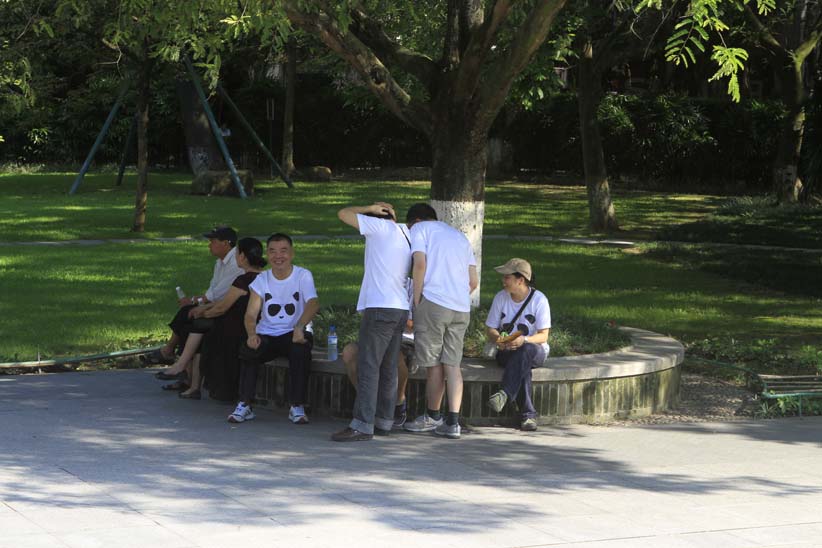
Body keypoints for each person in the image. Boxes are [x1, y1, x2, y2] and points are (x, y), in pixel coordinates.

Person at [331, 202, 412, 441]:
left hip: (380, 307)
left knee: (368, 366)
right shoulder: (405, 233)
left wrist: (370, 208)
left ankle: (362, 424)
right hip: (400, 308)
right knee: (389, 367)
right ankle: (384, 421)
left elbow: (343, 213)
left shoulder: (379, 228)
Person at [403, 203, 478, 440]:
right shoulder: (459, 236)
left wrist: (417, 300)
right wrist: (456, 296)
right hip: (461, 308)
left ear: (415, 221)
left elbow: (420, 264)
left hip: (433, 303)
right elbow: (473, 281)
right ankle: (453, 422)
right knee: (453, 365)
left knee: (434, 365)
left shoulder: (420, 230)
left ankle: (433, 416)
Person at [230, 233, 319, 424]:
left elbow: (313, 304)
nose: (278, 256)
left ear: (292, 253)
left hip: (294, 332)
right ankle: (244, 404)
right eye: (272, 251)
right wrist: (251, 334)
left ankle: (297, 406)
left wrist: (300, 327)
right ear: (268, 255)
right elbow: (250, 314)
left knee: (300, 350)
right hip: (267, 334)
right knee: (248, 349)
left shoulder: (303, 275)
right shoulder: (261, 279)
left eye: (283, 251)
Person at [172, 238, 267, 400]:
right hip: (247, 324)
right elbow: (225, 302)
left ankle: (185, 371)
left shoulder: (243, 280)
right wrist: (205, 308)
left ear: (243, 257)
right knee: (196, 326)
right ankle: (187, 376)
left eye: (237, 253)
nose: (235, 257)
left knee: (198, 326)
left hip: (237, 328)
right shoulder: (264, 276)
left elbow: (222, 307)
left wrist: (204, 313)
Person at [147, 226, 244, 368]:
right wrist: (197, 302)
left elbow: (218, 293)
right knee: (187, 315)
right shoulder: (220, 262)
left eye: (213, 241)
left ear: (226, 243)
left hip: (229, 309)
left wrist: (194, 301)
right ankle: (178, 362)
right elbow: (213, 290)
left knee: (190, 316)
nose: (209, 245)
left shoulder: (235, 263)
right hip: (217, 305)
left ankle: (170, 353)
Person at [485, 258, 551, 432]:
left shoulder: (539, 300)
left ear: (520, 280)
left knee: (525, 351)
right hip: (506, 351)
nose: (503, 281)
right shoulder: (500, 297)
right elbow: (490, 329)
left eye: (507, 277)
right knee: (523, 367)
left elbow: (543, 336)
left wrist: (524, 340)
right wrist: (499, 340)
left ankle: (505, 392)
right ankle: (528, 416)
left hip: (534, 350)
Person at [341, 318, 415, 430]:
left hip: (405, 340)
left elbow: (416, 325)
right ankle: (367, 401)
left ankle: (399, 402)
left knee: (395, 356)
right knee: (349, 352)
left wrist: (391, 318)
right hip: (375, 336)